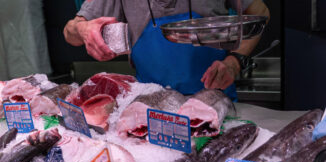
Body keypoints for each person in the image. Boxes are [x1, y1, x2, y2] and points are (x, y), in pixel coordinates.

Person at [64, 0, 270, 98]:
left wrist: (234, 62)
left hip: (214, 100)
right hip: (150, 104)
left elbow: (260, 12)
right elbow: (69, 32)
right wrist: (83, 28)